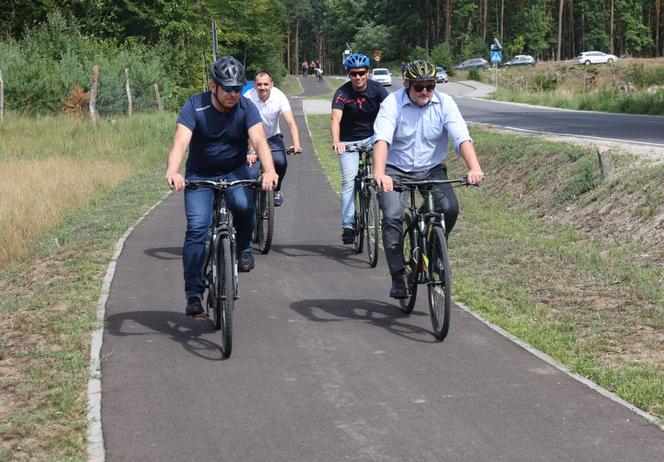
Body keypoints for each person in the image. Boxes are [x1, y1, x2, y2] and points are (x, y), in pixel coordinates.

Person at [165, 56, 279, 316]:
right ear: (213, 86)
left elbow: (260, 141)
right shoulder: (195, 106)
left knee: (243, 204)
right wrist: (173, 170)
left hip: (233, 171)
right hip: (200, 175)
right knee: (196, 228)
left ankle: (244, 249)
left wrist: (270, 170)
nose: (233, 94)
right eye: (227, 88)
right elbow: (181, 142)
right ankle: (194, 294)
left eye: (238, 88)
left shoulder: (246, 108)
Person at [372, 60, 485, 299]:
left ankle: (433, 255)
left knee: (449, 208)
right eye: (419, 87)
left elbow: (461, 136)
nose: (425, 91)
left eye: (430, 86)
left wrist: (474, 167)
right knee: (392, 217)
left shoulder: (445, 103)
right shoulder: (392, 103)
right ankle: (398, 276)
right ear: (407, 85)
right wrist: (380, 173)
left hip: (432, 169)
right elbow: (382, 139)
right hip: (395, 169)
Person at [330, 53, 388, 244]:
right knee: (349, 181)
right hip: (348, 141)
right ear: (348, 73)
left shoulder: (377, 89)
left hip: (373, 137)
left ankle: (386, 212)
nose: (358, 77)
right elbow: (335, 119)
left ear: (367, 72)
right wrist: (337, 141)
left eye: (362, 73)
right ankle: (348, 225)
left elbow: (390, 112)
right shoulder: (342, 93)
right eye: (354, 73)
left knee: (382, 175)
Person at [244, 71, 302, 206]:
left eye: (265, 84)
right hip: (250, 138)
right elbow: (245, 126)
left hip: (272, 137)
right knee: (251, 170)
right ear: (254, 85)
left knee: (281, 162)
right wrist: (251, 150)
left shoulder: (279, 96)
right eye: (259, 84)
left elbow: (291, 122)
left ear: (272, 84)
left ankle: (276, 190)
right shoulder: (247, 98)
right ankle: (249, 200)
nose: (262, 87)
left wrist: (296, 144)